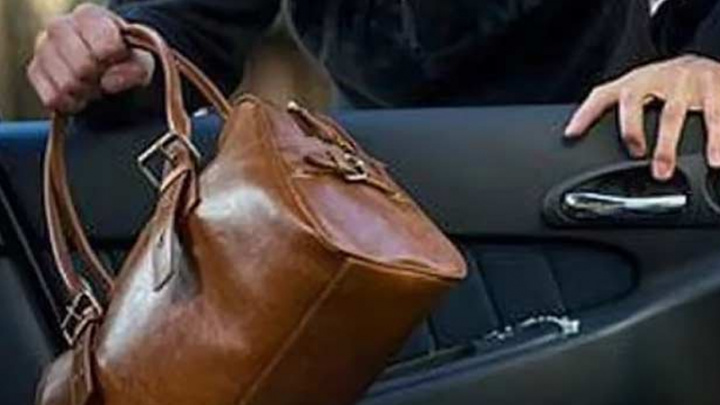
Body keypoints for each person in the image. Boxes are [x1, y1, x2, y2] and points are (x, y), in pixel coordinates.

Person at [27, 0, 720, 181]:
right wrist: (123, 55)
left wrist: (705, 59)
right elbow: (187, 22)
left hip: (591, 172)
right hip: (378, 195)